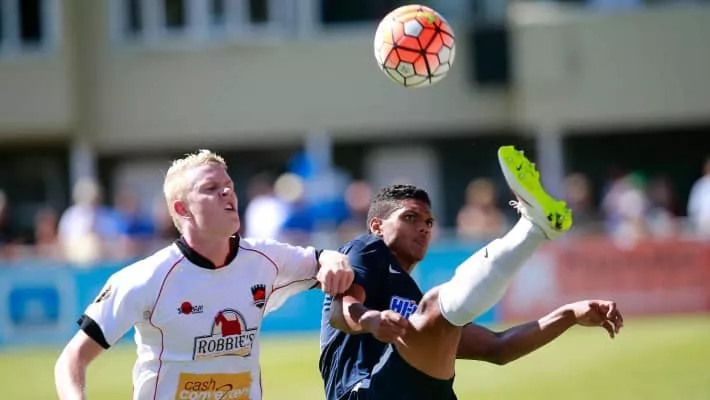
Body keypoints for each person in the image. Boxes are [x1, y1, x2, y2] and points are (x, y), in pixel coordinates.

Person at [319, 146, 624, 400]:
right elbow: (340, 312)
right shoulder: (366, 248)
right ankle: (533, 229)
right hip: (361, 393)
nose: (424, 228)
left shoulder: (413, 300)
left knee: (440, 312)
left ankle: (535, 228)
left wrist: (568, 315)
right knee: (436, 305)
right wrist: (370, 320)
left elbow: (498, 347)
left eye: (429, 222)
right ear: (377, 226)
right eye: (410, 217)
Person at [54, 149, 355, 400]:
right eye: (211, 188)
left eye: (229, 185)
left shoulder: (265, 258)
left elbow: (322, 260)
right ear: (182, 209)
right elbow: (72, 359)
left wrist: (334, 259)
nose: (227, 192)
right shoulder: (145, 278)